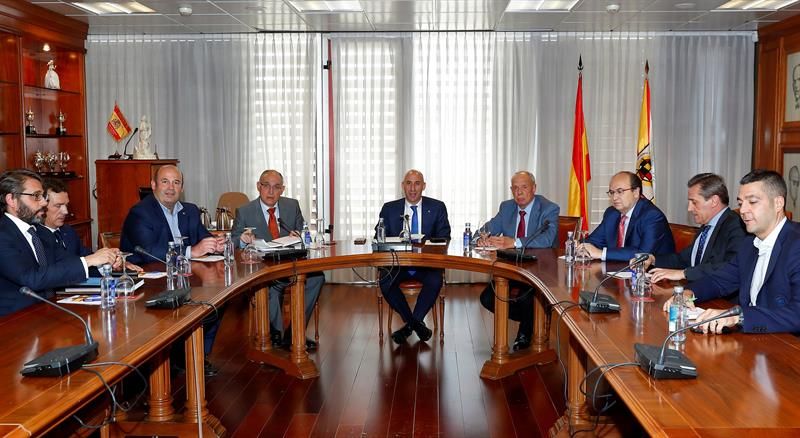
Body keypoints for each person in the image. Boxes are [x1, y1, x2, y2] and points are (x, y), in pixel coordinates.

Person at [664, 169, 800, 334]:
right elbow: (719, 281)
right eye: (741, 203)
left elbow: (796, 314)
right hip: (754, 341)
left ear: (778, 203)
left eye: (753, 202)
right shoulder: (748, 244)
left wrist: (738, 317)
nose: (742, 210)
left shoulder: (795, 244)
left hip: (788, 348)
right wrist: (688, 293)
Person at [120, 164, 224, 376]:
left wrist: (215, 243)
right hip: (147, 282)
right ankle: (176, 358)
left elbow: (203, 238)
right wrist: (190, 251)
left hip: (184, 276)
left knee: (216, 300)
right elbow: (147, 251)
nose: (170, 188)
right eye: (165, 182)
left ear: (182, 187)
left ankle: (195, 356)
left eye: (176, 182)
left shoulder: (190, 210)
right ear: (153, 185)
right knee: (188, 303)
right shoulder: (140, 212)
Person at [0, 169, 118, 316]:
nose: (43, 202)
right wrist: (88, 260)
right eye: (36, 196)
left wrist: (102, 261)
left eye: (42, 196)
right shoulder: (3, 235)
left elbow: (68, 263)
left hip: (48, 313)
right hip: (14, 321)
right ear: (11, 200)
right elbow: (31, 279)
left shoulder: (40, 232)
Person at [230, 169, 324, 349]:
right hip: (264, 268)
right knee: (269, 286)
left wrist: (299, 235)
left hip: (292, 263)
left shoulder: (292, 206)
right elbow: (233, 240)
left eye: (276, 187)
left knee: (317, 277)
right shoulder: (245, 211)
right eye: (266, 186)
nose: (271, 192)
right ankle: (277, 335)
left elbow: (304, 234)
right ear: (259, 186)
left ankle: (294, 333)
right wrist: (241, 239)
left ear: (282, 189)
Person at [478, 171, 559, 350]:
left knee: (527, 298)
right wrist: (482, 238)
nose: (519, 192)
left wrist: (514, 242)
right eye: (515, 188)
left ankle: (525, 331)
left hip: (539, 268)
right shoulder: (507, 207)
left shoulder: (548, 208)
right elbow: (486, 228)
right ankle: (530, 319)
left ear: (534, 189)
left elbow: (547, 239)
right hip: (510, 267)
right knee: (487, 298)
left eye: (524, 187)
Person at [377, 169, 451, 344]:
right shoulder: (389, 208)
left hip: (426, 265)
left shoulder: (437, 207)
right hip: (398, 264)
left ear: (423, 186)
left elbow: (445, 236)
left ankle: (409, 326)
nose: (412, 188)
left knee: (435, 280)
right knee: (385, 281)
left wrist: (428, 246)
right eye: (408, 183)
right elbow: (379, 237)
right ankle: (415, 323)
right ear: (403, 186)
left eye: (417, 183)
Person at [647, 173, 748, 283]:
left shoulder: (736, 225)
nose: (690, 208)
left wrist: (684, 274)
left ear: (714, 201)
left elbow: (730, 266)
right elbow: (684, 259)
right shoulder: (707, 226)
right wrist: (653, 259)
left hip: (722, 298)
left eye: (694, 202)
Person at [580, 171, 674, 262]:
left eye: (620, 191)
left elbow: (643, 255)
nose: (614, 197)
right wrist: (581, 246)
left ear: (636, 192)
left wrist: (601, 253)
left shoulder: (652, 216)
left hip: (654, 275)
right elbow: (593, 241)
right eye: (612, 192)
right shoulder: (612, 213)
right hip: (619, 271)